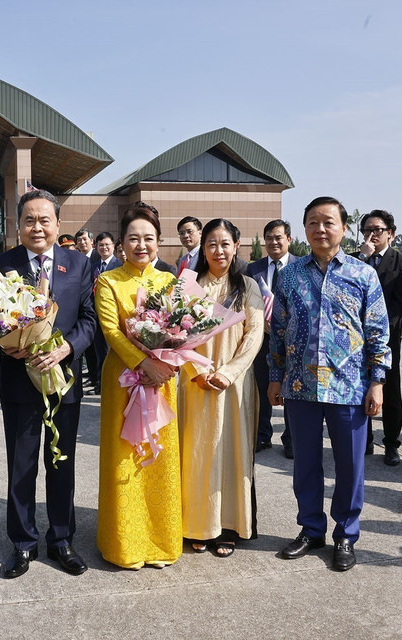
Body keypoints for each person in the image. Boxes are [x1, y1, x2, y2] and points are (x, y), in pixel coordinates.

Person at [268, 196, 390, 572]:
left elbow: (377, 332)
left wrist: (377, 381)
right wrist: (275, 377)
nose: (321, 229)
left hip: (350, 387)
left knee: (350, 466)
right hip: (301, 386)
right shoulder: (289, 274)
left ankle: (346, 535)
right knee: (304, 462)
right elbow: (278, 329)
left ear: (343, 228)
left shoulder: (363, 274)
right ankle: (311, 528)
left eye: (329, 222)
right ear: (304, 228)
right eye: (313, 223)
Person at [0, 189, 96, 579]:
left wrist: (66, 349)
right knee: (21, 467)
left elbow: (89, 320)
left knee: (60, 464)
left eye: (44, 219)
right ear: (18, 225)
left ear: (57, 224)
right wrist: (7, 346)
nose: (37, 226)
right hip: (19, 383)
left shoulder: (78, 263)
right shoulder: (2, 266)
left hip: (62, 381)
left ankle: (61, 539)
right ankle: (22, 543)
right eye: (29, 220)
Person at [96, 202, 182, 569]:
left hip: (162, 380)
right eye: (133, 238)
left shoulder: (170, 281)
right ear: (121, 244)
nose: (141, 245)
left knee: (159, 457)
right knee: (126, 458)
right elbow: (111, 331)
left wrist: (165, 364)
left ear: (159, 243)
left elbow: (183, 330)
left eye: (148, 238)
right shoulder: (107, 280)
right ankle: (125, 545)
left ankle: (160, 542)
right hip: (124, 380)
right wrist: (142, 362)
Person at [178, 219, 263, 557]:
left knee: (230, 454)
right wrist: (194, 370)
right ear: (203, 248)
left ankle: (227, 526)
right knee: (196, 454)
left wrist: (229, 372)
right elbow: (175, 335)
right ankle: (197, 524)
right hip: (195, 385)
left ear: (237, 245)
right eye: (211, 244)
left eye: (225, 243)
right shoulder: (188, 285)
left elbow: (254, 335)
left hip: (234, 387)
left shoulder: (248, 286)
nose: (218, 250)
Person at [356, 210, 402, 466]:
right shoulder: (356, 260)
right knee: (360, 388)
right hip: (355, 336)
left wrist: (381, 329)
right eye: (367, 230)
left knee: (389, 388)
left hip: (384, 336)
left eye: (377, 230)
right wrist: (362, 257)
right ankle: (364, 440)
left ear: (391, 233)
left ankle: (391, 443)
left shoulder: (401, 261)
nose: (371, 235)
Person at [248, 219, 297, 458]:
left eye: (278, 237)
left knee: (292, 390)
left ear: (289, 239)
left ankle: (290, 439)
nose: (273, 242)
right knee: (263, 386)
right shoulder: (252, 269)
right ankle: (262, 435)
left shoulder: (301, 267)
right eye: (269, 238)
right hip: (263, 340)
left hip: (294, 341)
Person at [88, 232, 122, 394]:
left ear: (113, 246)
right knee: (99, 352)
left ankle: (110, 384)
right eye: (101, 245)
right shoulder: (93, 266)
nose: (104, 248)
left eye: (107, 244)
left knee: (110, 353)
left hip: (111, 317)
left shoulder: (119, 266)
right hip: (95, 317)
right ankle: (100, 383)